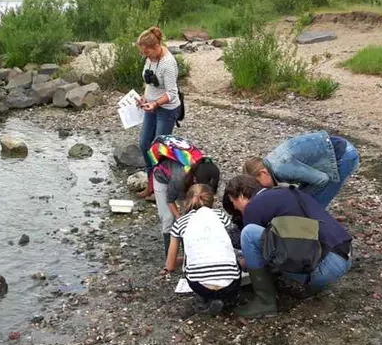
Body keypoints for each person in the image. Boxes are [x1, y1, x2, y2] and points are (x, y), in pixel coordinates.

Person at [224, 175, 352, 318]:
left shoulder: (252, 207)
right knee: (275, 241)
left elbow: (255, 251)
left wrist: (241, 263)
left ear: (241, 195)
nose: (235, 207)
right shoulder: (285, 191)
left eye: (233, 201)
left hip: (324, 268)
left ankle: (265, 302)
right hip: (344, 254)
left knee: (248, 234)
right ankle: (312, 284)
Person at [160, 184, 241, 316]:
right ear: (212, 200)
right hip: (231, 284)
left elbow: (170, 265)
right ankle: (227, 298)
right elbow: (231, 243)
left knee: (191, 267)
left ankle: (206, 299)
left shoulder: (180, 223)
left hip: (201, 286)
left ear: (187, 201)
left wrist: (184, 260)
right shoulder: (220, 216)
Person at [242, 130, 359, 209]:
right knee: (301, 199)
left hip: (343, 156)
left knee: (312, 206)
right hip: (333, 146)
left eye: (259, 185)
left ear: (263, 172)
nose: (261, 189)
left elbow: (322, 180)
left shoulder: (280, 168)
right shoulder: (271, 161)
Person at [148, 135, 220, 255]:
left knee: (191, 213)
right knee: (168, 219)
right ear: (196, 180)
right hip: (162, 178)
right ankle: (170, 257)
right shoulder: (179, 177)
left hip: (185, 183)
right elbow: (170, 200)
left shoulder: (205, 168)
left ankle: (189, 249)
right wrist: (179, 218)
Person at [135, 26, 181, 200]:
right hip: (151, 106)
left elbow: (172, 93)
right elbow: (150, 83)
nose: (145, 56)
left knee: (159, 149)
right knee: (144, 143)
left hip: (167, 109)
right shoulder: (150, 59)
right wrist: (143, 98)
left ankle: (161, 188)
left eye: (147, 52)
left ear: (156, 47)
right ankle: (151, 184)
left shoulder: (168, 63)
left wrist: (155, 103)